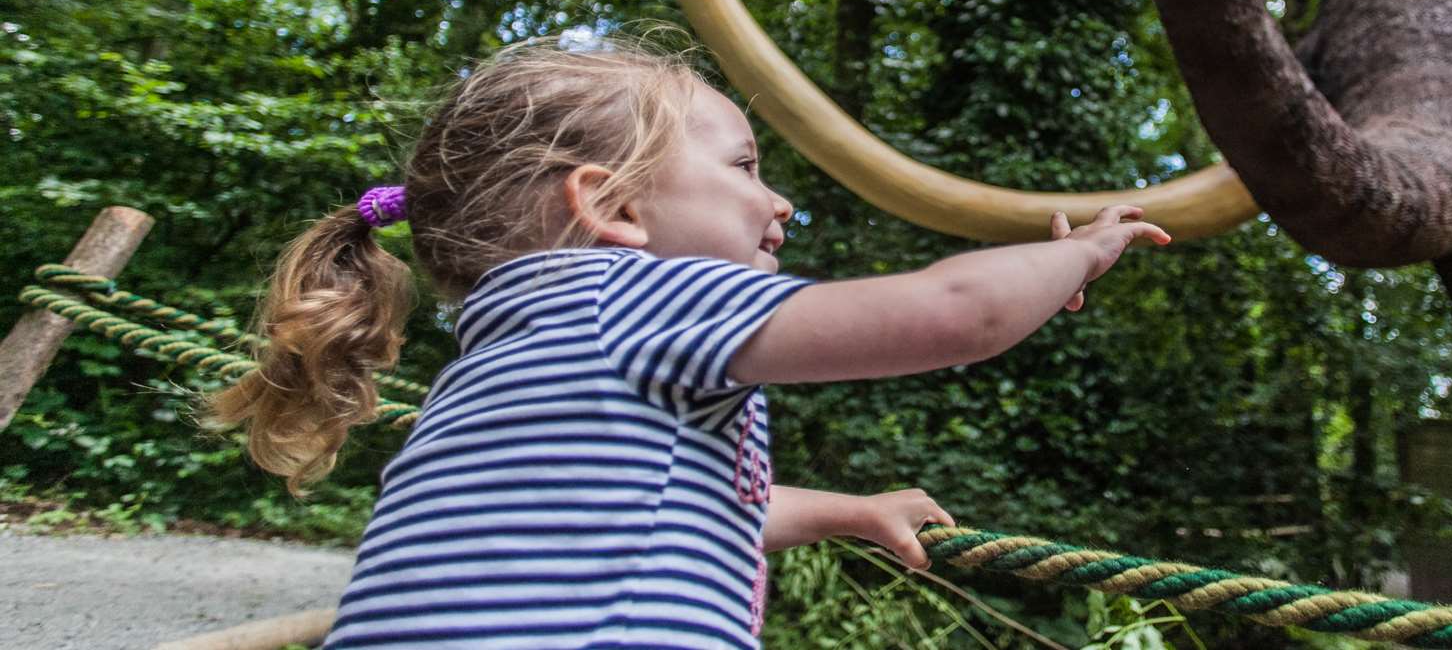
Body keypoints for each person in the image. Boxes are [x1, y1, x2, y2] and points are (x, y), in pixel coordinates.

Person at [208, 36, 1170, 649]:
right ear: (615, 205)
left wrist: (841, 510)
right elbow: (958, 310)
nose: (779, 200)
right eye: (746, 167)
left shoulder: (500, 355)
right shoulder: (636, 297)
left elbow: (659, 508)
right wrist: (1082, 253)